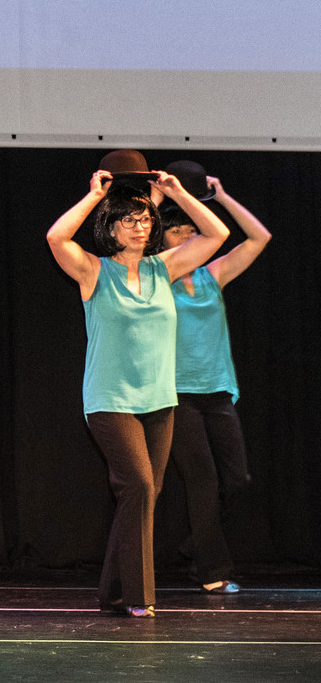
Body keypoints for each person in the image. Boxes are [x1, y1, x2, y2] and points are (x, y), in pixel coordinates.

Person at [46, 170, 228, 617]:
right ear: (110, 228)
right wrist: (95, 196)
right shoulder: (94, 270)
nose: (139, 226)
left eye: (145, 219)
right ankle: (139, 597)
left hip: (160, 401)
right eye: (127, 219)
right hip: (110, 401)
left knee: (142, 496)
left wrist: (177, 193)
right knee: (141, 486)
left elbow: (217, 234)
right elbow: (56, 237)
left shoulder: (164, 268)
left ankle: (111, 590)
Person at [159, 177, 269, 594]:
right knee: (202, 479)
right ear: (162, 239)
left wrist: (221, 197)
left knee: (237, 479)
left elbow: (259, 238)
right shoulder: (157, 278)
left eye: (192, 230)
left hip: (217, 390)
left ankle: (194, 544)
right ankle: (212, 571)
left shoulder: (212, 275)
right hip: (176, 392)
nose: (187, 236)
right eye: (176, 230)